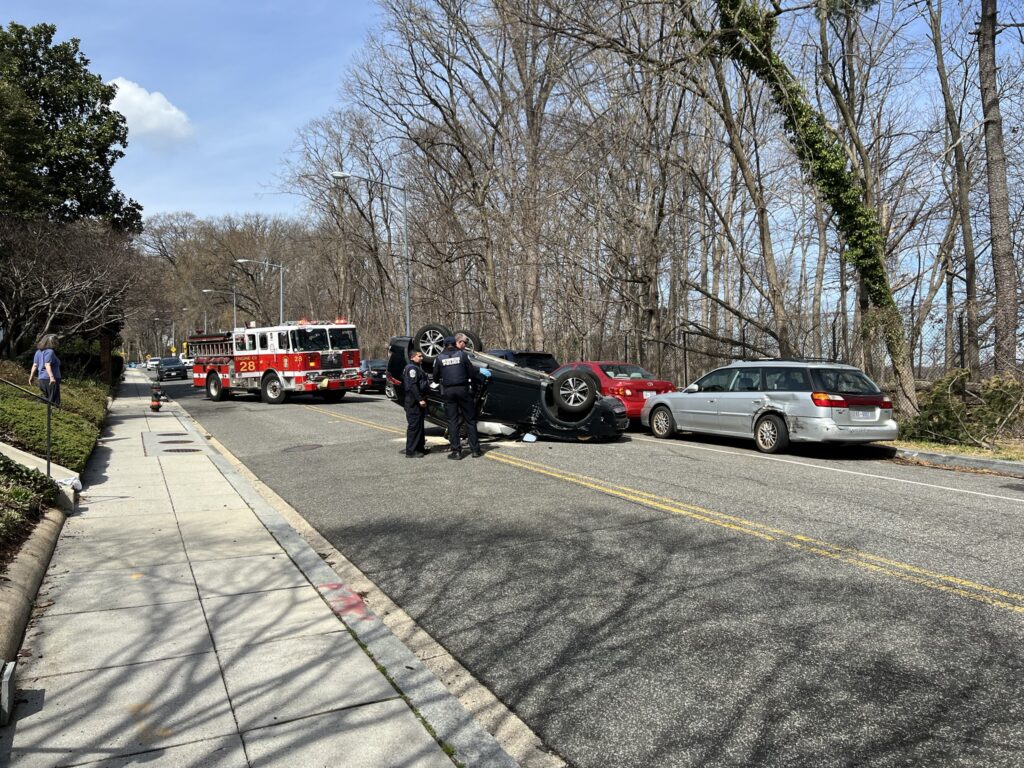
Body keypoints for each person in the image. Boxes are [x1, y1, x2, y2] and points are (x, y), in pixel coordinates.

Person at [432, 333, 491, 460]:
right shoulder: (462, 355)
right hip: (463, 390)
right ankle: (475, 451)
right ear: (455, 343)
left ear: (444, 345)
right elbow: (471, 373)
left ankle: (456, 452)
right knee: (470, 420)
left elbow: (435, 377)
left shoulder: (439, 358)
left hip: (448, 391)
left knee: (452, 422)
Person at [402, 349, 431, 458]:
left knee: (419, 426)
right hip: (413, 402)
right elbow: (413, 386)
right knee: (414, 426)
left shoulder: (417, 367)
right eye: (419, 356)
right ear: (412, 357)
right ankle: (411, 451)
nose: (421, 358)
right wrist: (420, 399)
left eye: (422, 356)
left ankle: (419, 448)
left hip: (417, 401)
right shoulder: (411, 369)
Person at [27, 333, 61, 407]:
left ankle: (36, 407)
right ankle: (38, 408)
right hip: (51, 380)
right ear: (52, 342)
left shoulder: (38, 352)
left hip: (41, 379)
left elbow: (35, 365)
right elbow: (47, 365)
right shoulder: (50, 352)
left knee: (46, 398)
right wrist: (52, 378)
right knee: (54, 401)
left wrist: (31, 377)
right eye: (56, 341)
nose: (57, 342)